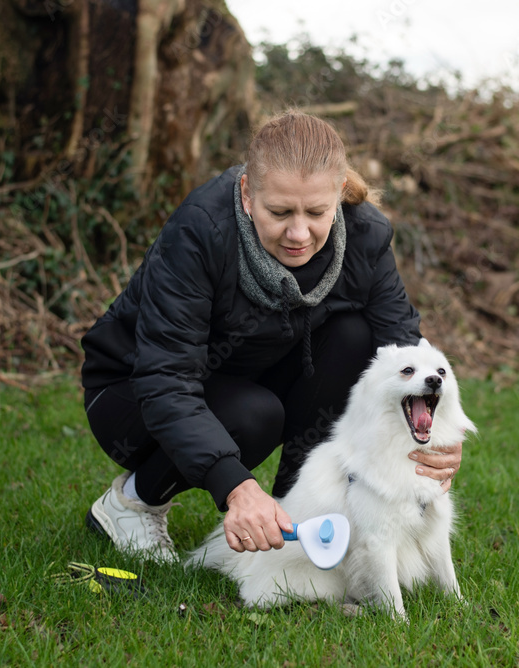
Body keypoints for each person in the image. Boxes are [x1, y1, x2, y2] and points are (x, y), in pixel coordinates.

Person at [80, 111, 463, 563]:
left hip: (249, 372)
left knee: (355, 338)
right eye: (279, 212)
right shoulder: (200, 230)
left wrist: (437, 431)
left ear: (340, 193)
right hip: (131, 391)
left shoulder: (366, 235)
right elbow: (166, 377)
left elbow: (405, 352)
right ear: (247, 193)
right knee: (253, 414)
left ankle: (300, 512)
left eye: (316, 212)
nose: (298, 234)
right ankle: (134, 502)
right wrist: (237, 488)